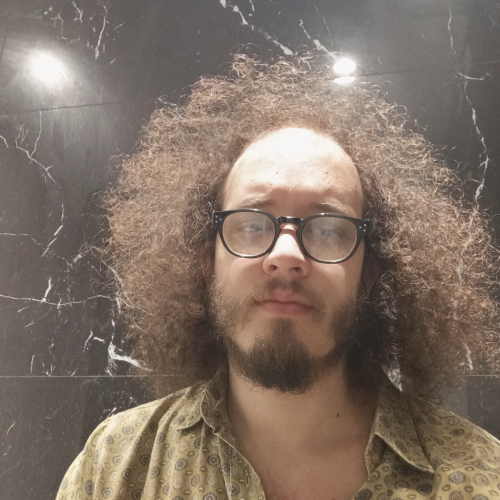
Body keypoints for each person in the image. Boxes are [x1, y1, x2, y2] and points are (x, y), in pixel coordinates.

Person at [57, 55, 500, 500]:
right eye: (252, 224)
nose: (285, 256)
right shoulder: (114, 468)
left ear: (370, 273)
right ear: (206, 260)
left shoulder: (481, 478)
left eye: (329, 229)